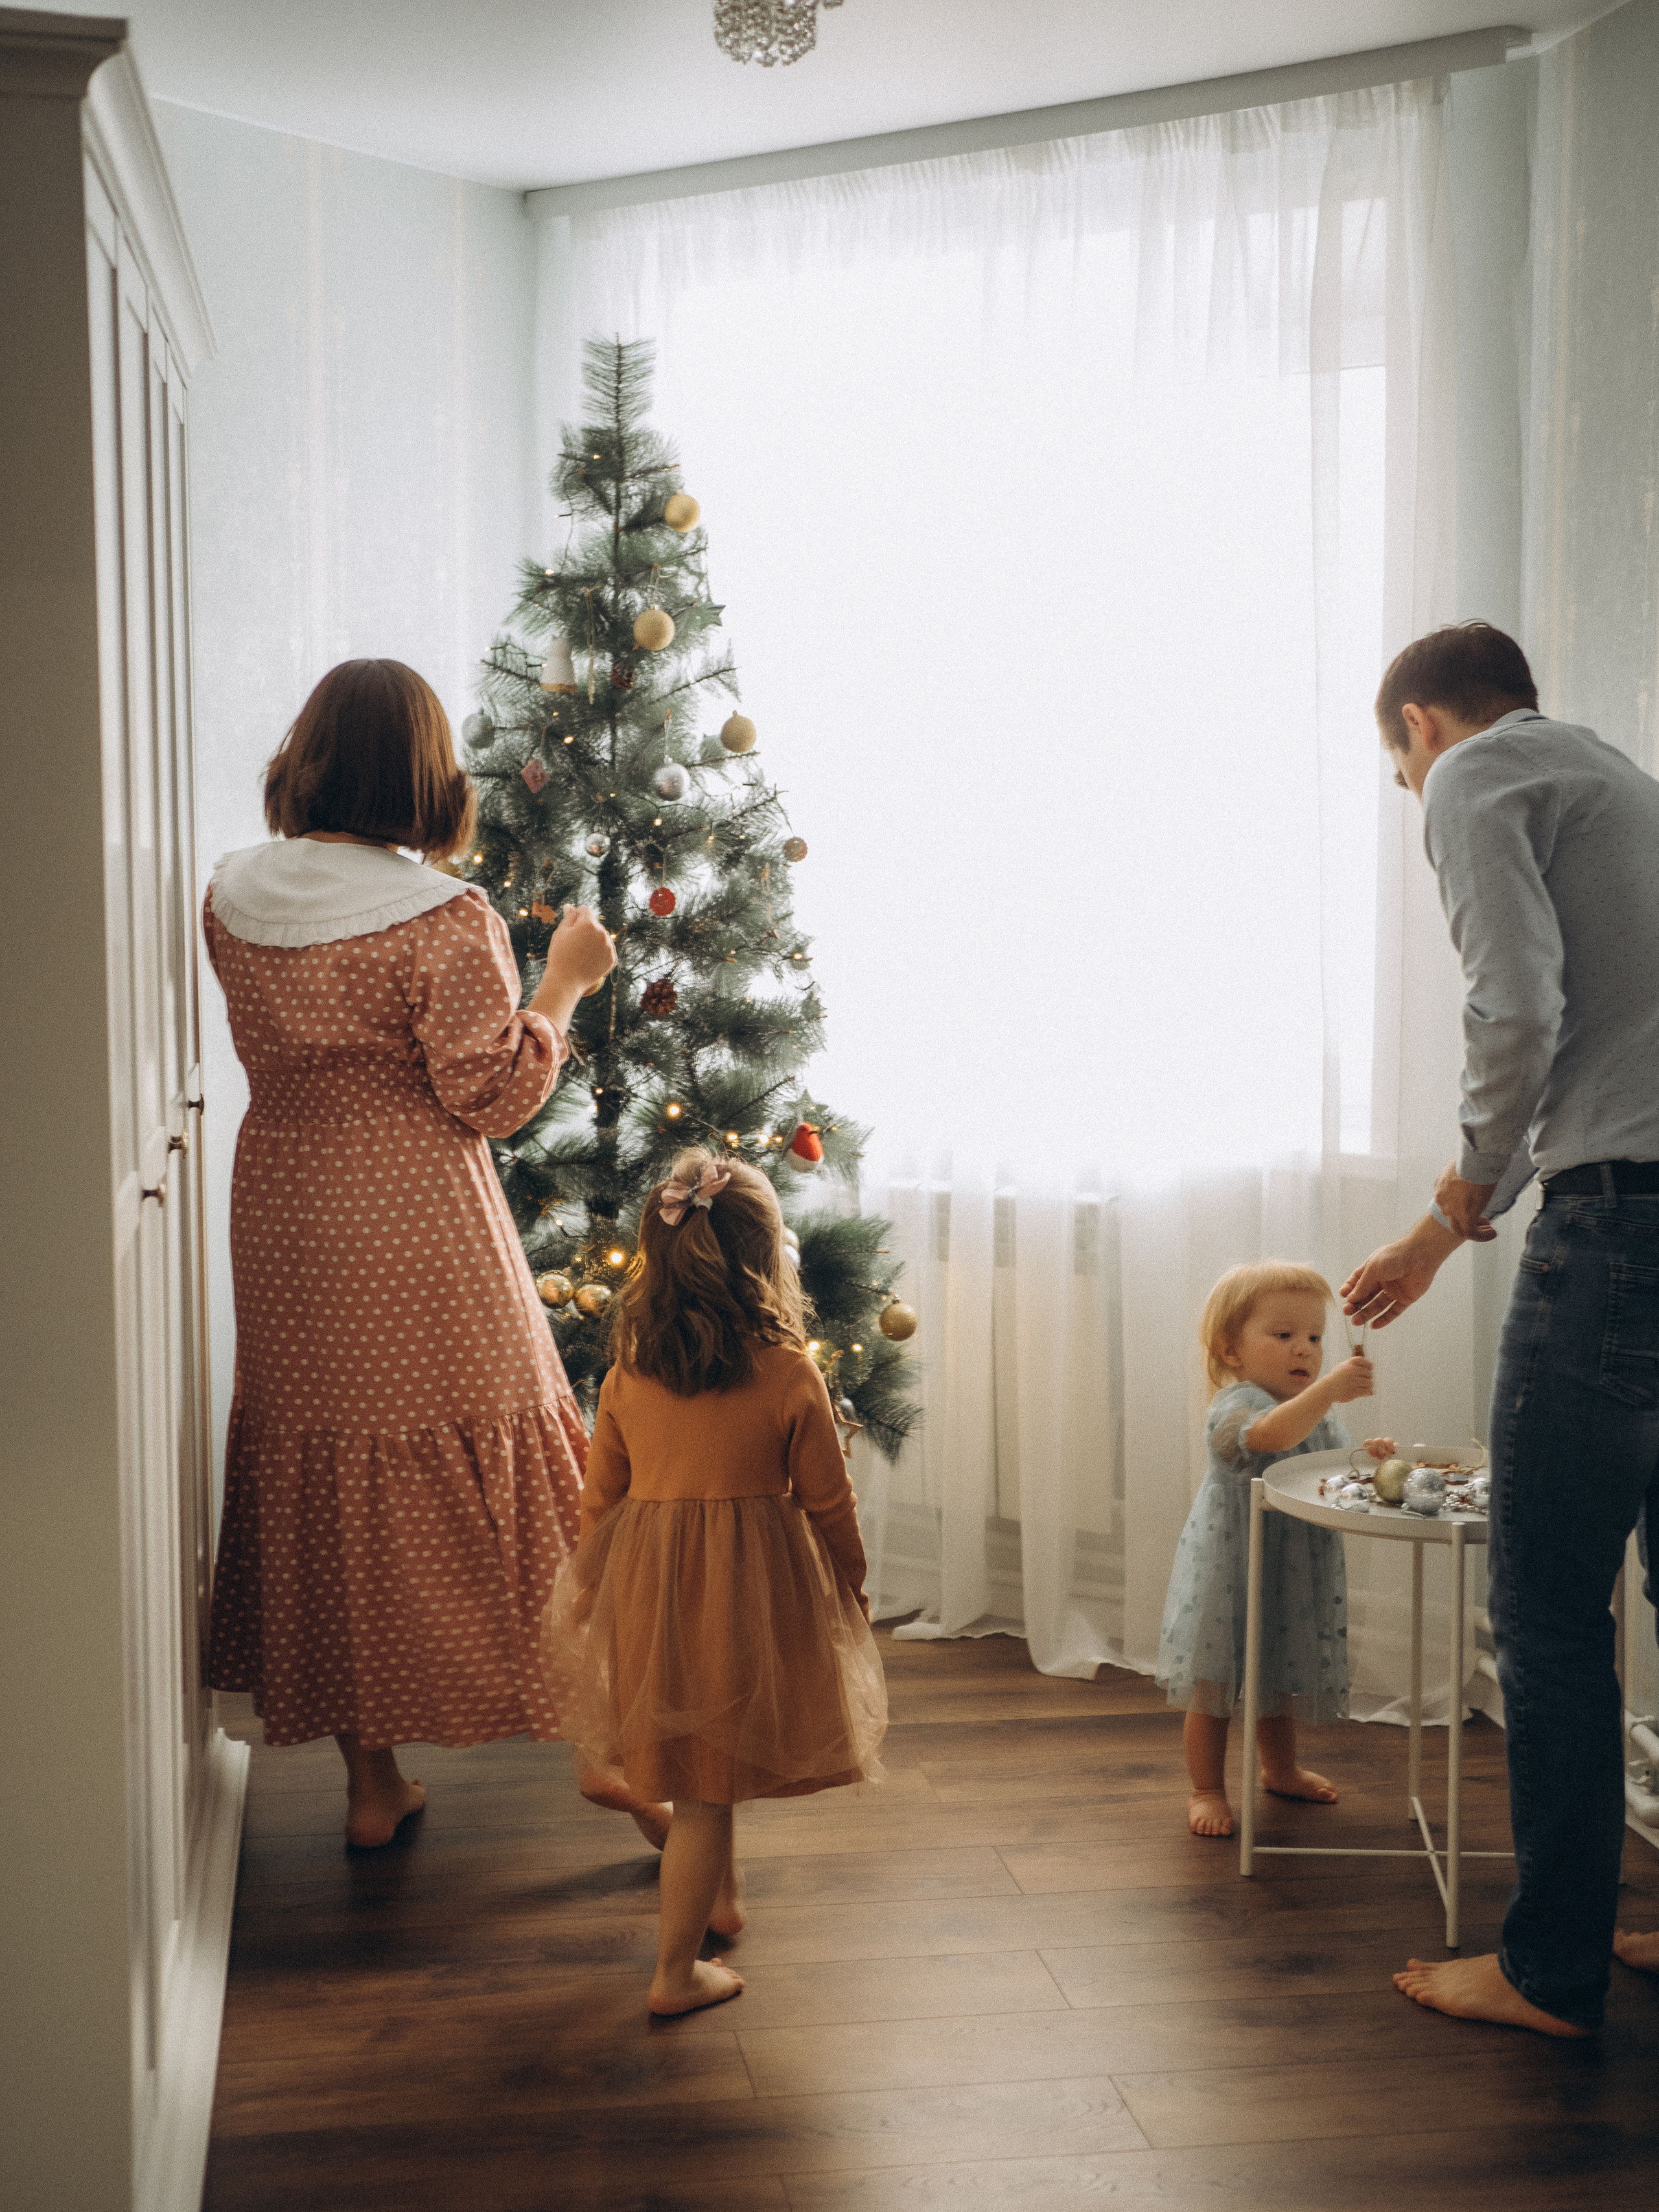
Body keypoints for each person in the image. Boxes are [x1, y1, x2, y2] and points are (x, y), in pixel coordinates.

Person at [204, 657, 667, 1850]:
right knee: (502, 1453)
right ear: (427, 776)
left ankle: (374, 1780)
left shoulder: (232, 898)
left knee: (325, 1457)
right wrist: (563, 982)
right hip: (417, 1213)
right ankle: (607, 1750)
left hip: (286, 1207)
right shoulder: (442, 915)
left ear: (303, 760)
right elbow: (494, 1092)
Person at [1342, 621, 1659, 2038]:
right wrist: (1442, 1228)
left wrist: (1462, 1187)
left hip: (1617, 1233)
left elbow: (1516, 1011)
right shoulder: (1612, 777)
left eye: (1395, 769)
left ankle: (1547, 1969)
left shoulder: (1473, 778)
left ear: (1418, 724)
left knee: (1541, 1612)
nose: (1411, 799)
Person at [544, 1148, 887, 2017]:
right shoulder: (786, 1369)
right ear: (770, 1257)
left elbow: (600, 1495)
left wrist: (592, 1590)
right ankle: (673, 1973)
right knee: (704, 1791)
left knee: (705, 1769)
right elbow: (827, 1499)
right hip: (745, 1593)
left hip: (653, 1586)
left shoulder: (630, 1368)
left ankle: (721, 1901)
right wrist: (851, 1586)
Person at [1157, 1262, 1393, 1836]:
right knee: (1216, 1682)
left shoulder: (1315, 1406)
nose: (1305, 1351)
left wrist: (1370, 1456)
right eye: (1283, 1335)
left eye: (1314, 1337)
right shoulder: (1235, 1402)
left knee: (1279, 1674)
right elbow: (1264, 1437)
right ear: (1231, 1349)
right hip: (1233, 1565)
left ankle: (1280, 1767)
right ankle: (1206, 1787)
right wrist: (1332, 1388)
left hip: (1292, 1566)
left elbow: (1328, 1466)